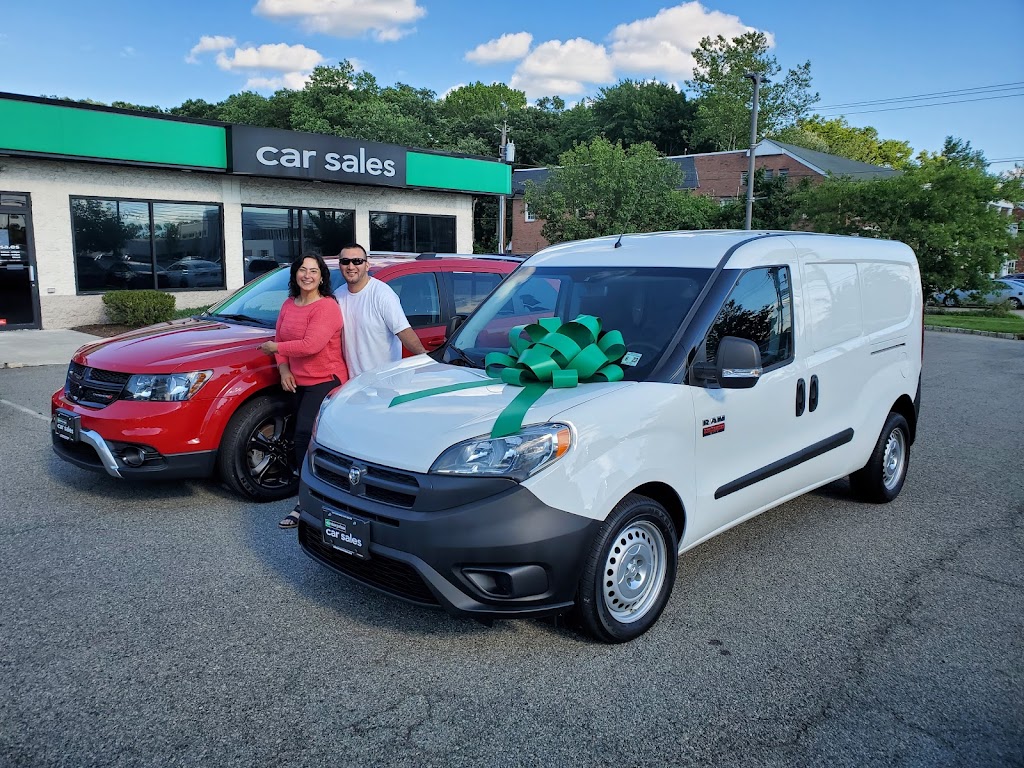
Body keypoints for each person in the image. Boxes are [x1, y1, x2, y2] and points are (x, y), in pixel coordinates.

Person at [258, 253, 348, 529]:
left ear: (322, 277)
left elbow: (311, 345)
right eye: (302, 270)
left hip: (325, 381)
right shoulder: (288, 304)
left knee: (303, 437)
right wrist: (284, 369)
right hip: (298, 382)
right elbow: (281, 336)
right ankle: (315, 492)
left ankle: (304, 503)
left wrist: (276, 349)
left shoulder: (327, 308)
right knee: (299, 439)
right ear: (295, 274)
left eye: (313, 270)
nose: (307, 275)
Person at [335, 243, 427, 376]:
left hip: (383, 383)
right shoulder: (337, 296)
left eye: (357, 261)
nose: (351, 266)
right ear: (340, 265)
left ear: (367, 265)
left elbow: (403, 331)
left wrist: (426, 358)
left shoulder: (382, 294)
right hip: (353, 385)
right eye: (345, 261)